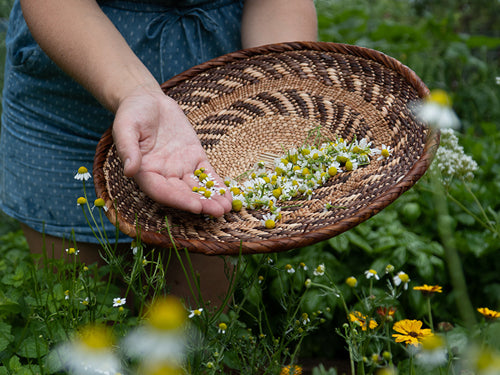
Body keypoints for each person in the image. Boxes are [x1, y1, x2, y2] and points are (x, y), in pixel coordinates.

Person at [0, 0, 318, 304]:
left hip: (219, 115)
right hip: (70, 101)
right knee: (85, 320)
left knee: (197, 333)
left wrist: (277, 99)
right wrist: (138, 94)